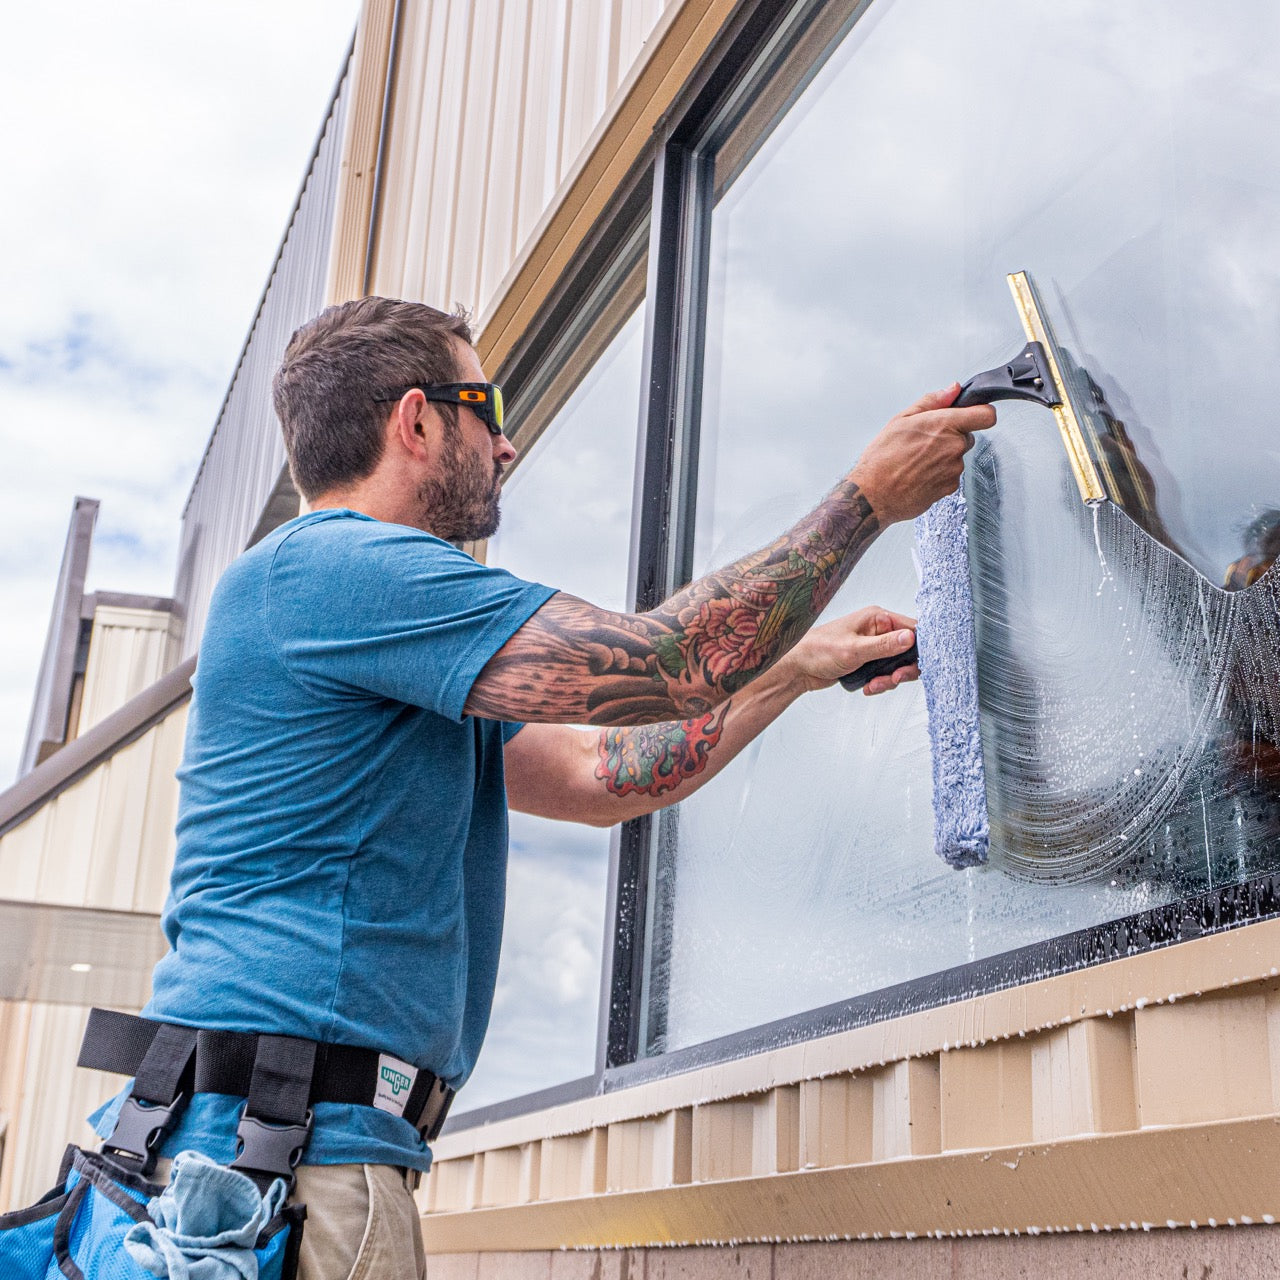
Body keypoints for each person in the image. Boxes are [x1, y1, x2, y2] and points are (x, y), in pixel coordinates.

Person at [85, 296, 995, 1278]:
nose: (508, 443)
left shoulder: (361, 625)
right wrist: (864, 498)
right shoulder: (341, 569)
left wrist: (794, 666)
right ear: (418, 418)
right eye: (489, 405)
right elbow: (670, 659)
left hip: (271, 1148)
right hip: (276, 1161)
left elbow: (598, 773)